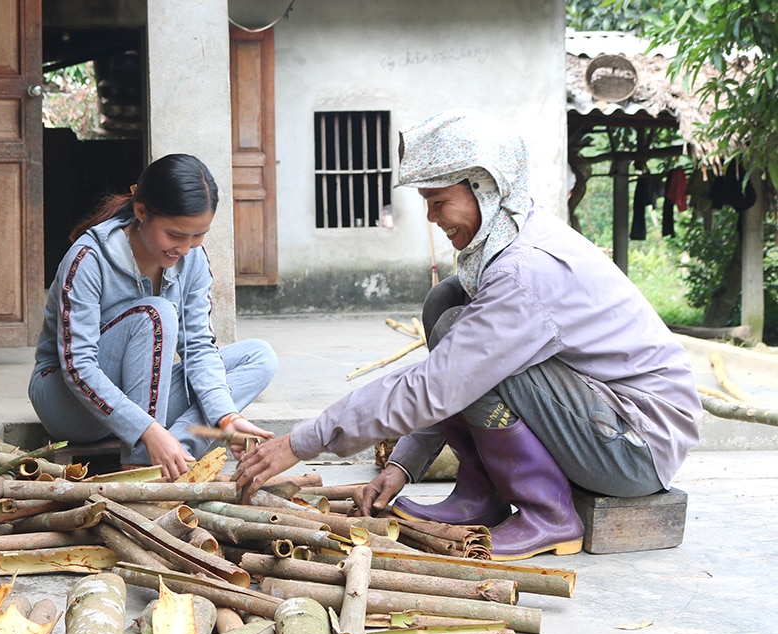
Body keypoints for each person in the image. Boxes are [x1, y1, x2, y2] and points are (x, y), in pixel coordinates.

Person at [233, 109, 702, 561]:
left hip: (633, 445)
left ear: (487, 190)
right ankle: (481, 493)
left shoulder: (524, 271)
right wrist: (403, 463)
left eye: (440, 202)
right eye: (427, 204)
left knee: (461, 334)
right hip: (600, 418)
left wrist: (301, 441)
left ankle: (549, 513)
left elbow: (442, 383)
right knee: (446, 301)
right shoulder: (509, 239)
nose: (433, 218)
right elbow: (451, 375)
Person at [29, 153, 278, 481]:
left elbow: (199, 349)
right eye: (175, 235)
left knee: (259, 356)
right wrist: (145, 427)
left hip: (143, 395)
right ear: (142, 211)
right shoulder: (88, 259)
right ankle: (143, 459)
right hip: (68, 401)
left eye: (198, 235)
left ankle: (175, 452)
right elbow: (78, 368)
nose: (186, 249)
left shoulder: (192, 259)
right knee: (155, 313)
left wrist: (227, 416)